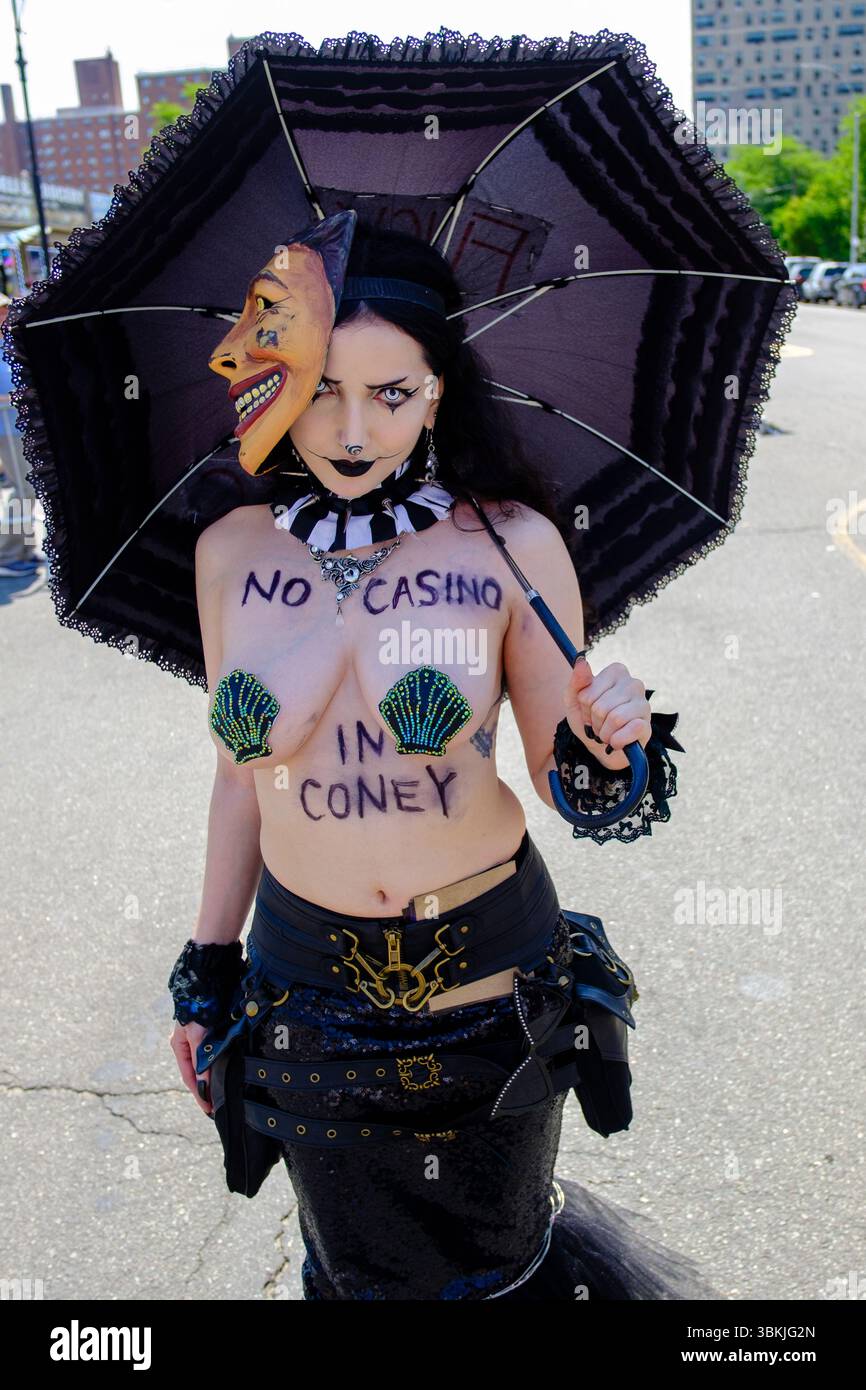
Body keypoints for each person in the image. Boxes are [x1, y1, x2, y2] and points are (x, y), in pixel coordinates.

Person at [167, 219, 718, 1301]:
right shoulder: (228, 552)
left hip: (487, 982)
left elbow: (570, 780)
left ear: (438, 392)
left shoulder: (507, 544)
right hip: (303, 990)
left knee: (494, 1274)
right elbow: (242, 777)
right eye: (322, 388)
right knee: (350, 1272)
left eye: (392, 391)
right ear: (278, 382)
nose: (353, 427)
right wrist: (205, 966)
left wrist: (610, 741)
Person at [0, 292, 47, 577]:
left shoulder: (9, 341)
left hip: (19, 427)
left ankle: (22, 550)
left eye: (5, 308)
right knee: (23, 492)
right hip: (8, 429)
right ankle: (11, 552)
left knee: (27, 491)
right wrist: (14, 397)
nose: (5, 314)